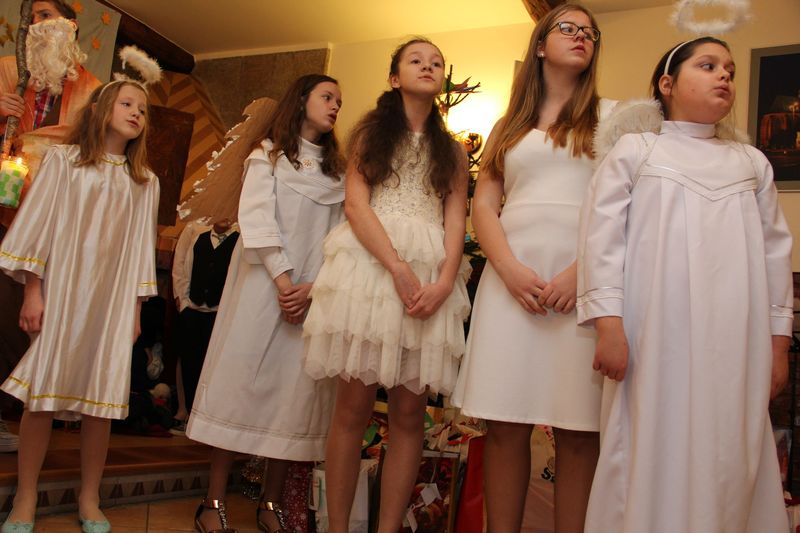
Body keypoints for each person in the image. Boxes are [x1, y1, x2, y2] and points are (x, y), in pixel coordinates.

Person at [578, 36, 792, 532]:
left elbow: (775, 254)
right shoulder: (636, 151)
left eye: (730, 69)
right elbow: (601, 239)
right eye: (709, 65)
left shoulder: (750, 162)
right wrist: (608, 325)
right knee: (650, 434)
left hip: (735, 341)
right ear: (667, 84)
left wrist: (778, 345)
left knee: (732, 440)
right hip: (653, 336)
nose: (725, 76)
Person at [450, 5, 613, 532]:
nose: (581, 36)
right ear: (540, 45)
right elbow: (483, 205)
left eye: (589, 32)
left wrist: (582, 273)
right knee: (505, 423)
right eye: (568, 28)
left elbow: (626, 209)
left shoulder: (612, 119)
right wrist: (508, 269)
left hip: (583, 283)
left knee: (579, 430)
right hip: (511, 282)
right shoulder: (508, 125)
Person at [302, 38, 471, 533]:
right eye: (416, 60)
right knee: (352, 410)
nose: (428, 66)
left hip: (431, 277)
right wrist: (396, 267)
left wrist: (444, 282)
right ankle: (337, 528)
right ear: (395, 77)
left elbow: (456, 219)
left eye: (436, 62)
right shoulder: (368, 136)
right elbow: (356, 206)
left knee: (409, 416)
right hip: (371, 270)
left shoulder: (453, 152)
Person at [186, 74, 346, 533]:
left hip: (310, 298)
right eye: (327, 97)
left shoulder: (339, 172)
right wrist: (284, 282)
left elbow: (340, 238)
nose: (336, 106)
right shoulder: (267, 155)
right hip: (261, 290)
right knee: (238, 387)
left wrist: (312, 288)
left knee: (292, 398)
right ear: (302, 100)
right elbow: (256, 219)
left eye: (339, 100)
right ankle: (213, 502)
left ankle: (271, 504)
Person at [0, 78, 159, 533]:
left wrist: (134, 312)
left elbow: (141, 249)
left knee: (101, 401)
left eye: (143, 109)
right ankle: (25, 495)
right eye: (127, 104)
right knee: (41, 394)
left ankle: (90, 497)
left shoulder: (144, 181)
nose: (136, 113)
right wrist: (33, 291)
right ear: (100, 108)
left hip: (111, 303)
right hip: (63, 293)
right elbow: (38, 226)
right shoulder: (63, 162)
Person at [0, 0, 101, 453]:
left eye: (46, 16)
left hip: (51, 222)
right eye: (32, 18)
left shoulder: (92, 89)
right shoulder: (5, 71)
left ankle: (16, 416)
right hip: (2, 213)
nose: (37, 25)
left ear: (69, 26)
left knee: (24, 320)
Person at [171, 218, 239, 429]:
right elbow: (180, 265)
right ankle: (184, 409)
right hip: (192, 308)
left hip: (219, 312)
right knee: (188, 360)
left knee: (211, 365)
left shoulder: (240, 236)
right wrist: (183, 301)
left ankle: (206, 417)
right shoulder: (194, 229)